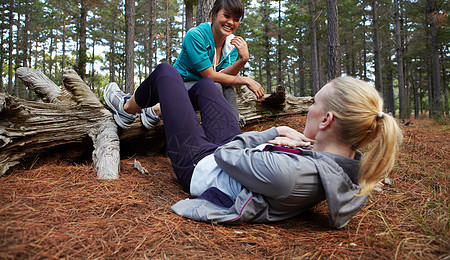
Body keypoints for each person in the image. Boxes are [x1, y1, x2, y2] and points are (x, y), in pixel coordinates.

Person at [103, 63, 402, 228]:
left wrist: (276, 131)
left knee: (166, 72)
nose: (309, 108)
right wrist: (286, 145)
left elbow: (226, 154)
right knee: (208, 86)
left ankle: (126, 110)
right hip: (233, 160)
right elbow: (257, 158)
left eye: (313, 103)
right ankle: (156, 112)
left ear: (326, 120)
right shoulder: (338, 162)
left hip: (201, 166)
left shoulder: (289, 174)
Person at [131, 0, 264, 130]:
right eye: (226, 16)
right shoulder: (196, 35)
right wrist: (247, 80)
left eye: (236, 19)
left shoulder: (232, 45)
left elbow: (225, 77)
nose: (231, 22)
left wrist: (243, 60)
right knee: (215, 86)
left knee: (225, 87)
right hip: (177, 86)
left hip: (203, 88)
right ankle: (157, 110)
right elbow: (210, 76)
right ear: (213, 14)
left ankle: (234, 130)